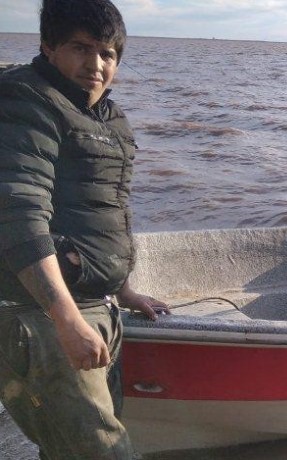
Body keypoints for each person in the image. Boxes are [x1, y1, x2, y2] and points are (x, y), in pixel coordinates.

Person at [0, 0, 170, 458]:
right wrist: (66, 319)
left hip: (99, 306)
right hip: (39, 314)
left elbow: (108, 211)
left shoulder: (107, 118)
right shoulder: (25, 101)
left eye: (108, 52)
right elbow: (17, 212)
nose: (96, 64)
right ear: (48, 47)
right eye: (81, 48)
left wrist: (124, 287)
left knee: (71, 448)